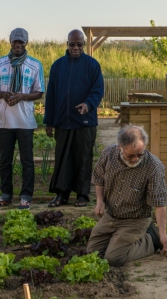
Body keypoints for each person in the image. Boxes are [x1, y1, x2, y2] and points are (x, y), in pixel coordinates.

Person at [86, 125, 167, 266]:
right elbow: (98, 178)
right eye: (130, 155)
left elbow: (159, 202)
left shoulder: (154, 167)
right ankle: (118, 240)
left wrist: (163, 234)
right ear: (120, 147)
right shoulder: (109, 154)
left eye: (140, 154)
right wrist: (100, 201)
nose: (135, 159)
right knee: (93, 252)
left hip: (135, 219)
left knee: (114, 259)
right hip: (111, 216)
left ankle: (150, 238)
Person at [44, 29, 104, 208]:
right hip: (63, 120)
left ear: (83, 45)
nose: (75, 47)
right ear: (67, 44)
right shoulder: (58, 66)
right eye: (72, 44)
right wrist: (49, 121)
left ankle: (82, 195)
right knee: (62, 159)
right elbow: (51, 95)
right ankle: (61, 195)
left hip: (85, 122)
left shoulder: (92, 65)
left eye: (79, 44)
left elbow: (98, 90)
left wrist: (88, 104)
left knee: (83, 158)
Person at [0, 28, 45, 210]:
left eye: (21, 42)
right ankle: (6, 195)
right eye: (15, 42)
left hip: (25, 121)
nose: (18, 45)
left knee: (27, 161)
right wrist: (4, 94)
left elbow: (39, 92)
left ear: (26, 43)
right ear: (10, 42)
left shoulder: (35, 65)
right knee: (5, 161)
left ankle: (26, 196)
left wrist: (22, 96)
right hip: (4, 121)